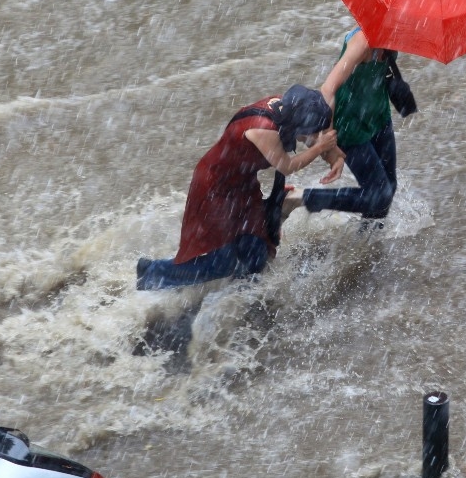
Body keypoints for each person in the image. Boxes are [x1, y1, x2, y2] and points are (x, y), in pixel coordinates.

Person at [136, 85, 339, 290]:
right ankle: (152, 272)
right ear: (299, 125)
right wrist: (321, 148)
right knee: (223, 262)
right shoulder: (262, 127)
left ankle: (237, 297)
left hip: (241, 183)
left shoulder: (289, 106)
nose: (315, 137)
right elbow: (287, 166)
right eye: (313, 132)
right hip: (215, 188)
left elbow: (317, 135)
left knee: (256, 250)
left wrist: (334, 156)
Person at [296, 28, 399, 224]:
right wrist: (330, 144)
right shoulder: (361, 42)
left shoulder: (395, 34)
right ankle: (300, 198)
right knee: (379, 195)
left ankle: (367, 248)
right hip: (350, 126)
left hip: (379, 117)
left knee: (388, 189)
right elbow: (327, 90)